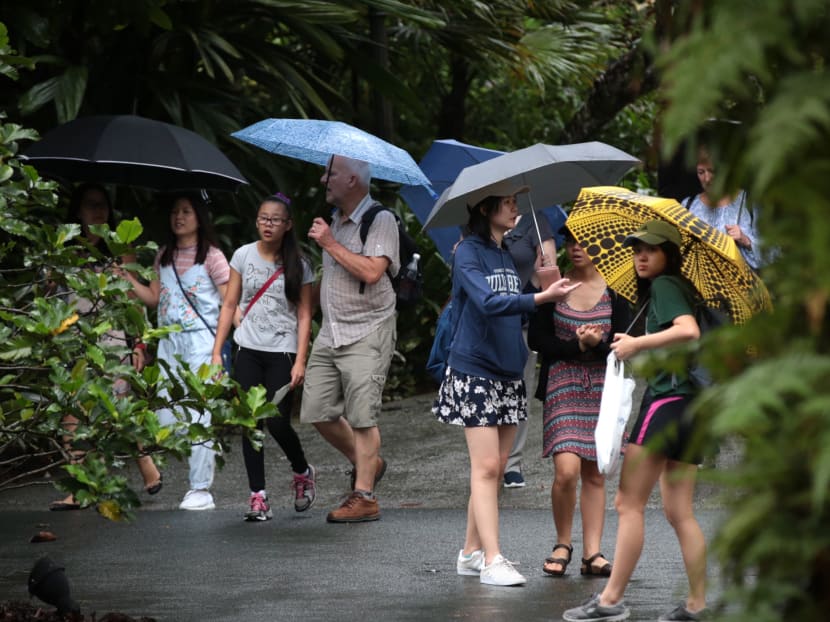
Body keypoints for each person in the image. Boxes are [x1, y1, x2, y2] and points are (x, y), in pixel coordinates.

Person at [433, 181, 580, 587]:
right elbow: (487, 303)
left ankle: (469, 552)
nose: (515, 209)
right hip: (474, 369)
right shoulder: (467, 252)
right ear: (486, 208)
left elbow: (517, 304)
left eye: (516, 202)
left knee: (496, 470)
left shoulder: (504, 252)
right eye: (508, 203)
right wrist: (538, 299)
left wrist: (543, 284)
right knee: (485, 467)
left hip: (508, 369)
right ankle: (492, 559)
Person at [563, 220, 707, 622]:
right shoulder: (678, 289)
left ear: (669, 254)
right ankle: (698, 604)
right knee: (680, 511)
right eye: (637, 249)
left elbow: (688, 331)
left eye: (652, 249)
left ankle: (610, 600)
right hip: (693, 404)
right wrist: (622, 345)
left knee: (629, 503)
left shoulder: (665, 286)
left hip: (666, 403)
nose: (641, 256)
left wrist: (638, 342)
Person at [50, 183, 162, 510]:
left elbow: (135, 304)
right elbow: (50, 296)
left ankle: (144, 463)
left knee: (116, 409)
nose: (98, 212)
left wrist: (139, 344)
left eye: (103, 206)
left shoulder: (119, 250)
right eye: (91, 205)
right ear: (78, 211)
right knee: (72, 415)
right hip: (73, 339)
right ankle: (78, 488)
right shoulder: (64, 249)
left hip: (112, 340)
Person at [528, 227, 630, 577]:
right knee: (567, 470)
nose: (576, 248)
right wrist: (577, 346)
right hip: (563, 382)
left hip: (604, 387)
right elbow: (538, 338)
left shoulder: (617, 289)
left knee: (595, 473)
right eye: (570, 241)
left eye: (584, 241)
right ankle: (562, 542)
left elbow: (628, 342)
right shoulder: (554, 285)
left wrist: (598, 345)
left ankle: (592, 553)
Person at [300, 155, 397, 523]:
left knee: (361, 417)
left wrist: (328, 243)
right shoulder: (336, 222)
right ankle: (369, 463)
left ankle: (365, 496)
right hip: (333, 330)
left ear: (353, 179)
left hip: (369, 328)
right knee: (316, 410)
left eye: (331, 173)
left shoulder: (380, 220)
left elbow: (372, 272)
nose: (324, 178)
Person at [118, 193, 229, 511]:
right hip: (168, 344)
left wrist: (221, 349)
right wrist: (126, 279)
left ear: (199, 217)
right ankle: (203, 458)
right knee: (166, 416)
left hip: (201, 344)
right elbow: (154, 298)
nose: (178, 217)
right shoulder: (163, 256)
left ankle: (200, 489)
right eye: (175, 211)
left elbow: (228, 302)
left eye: (186, 211)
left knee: (198, 413)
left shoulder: (213, 256)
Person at [211, 192, 316, 520]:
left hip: (282, 352)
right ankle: (258, 496)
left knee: (277, 422)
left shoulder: (299, 265)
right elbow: (230, 304)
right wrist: (217, 352)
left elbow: (303, 315)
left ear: (288, 225)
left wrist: (300, 360)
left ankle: (302, 471)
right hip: (247, 349)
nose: (268, 225)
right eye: (263, 219)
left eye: (275, 220)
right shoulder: (243, 255)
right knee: (250, 423)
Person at [501, 211, 557, 488]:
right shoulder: (477, 222)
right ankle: (491, 458)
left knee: (518, 388)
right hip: (488, 320)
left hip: (524, 319)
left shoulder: (535, 220)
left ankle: (512, 462)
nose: (510, 204)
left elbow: (550, 274)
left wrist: (539, 276)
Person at [684, 147, 761, 271]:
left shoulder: (749, 202)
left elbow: (773, 252)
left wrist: (745, 240)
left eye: (712, 171)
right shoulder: (689, 204)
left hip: (742, 285)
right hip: (700, 285)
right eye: (701, 172)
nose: (707, 179)